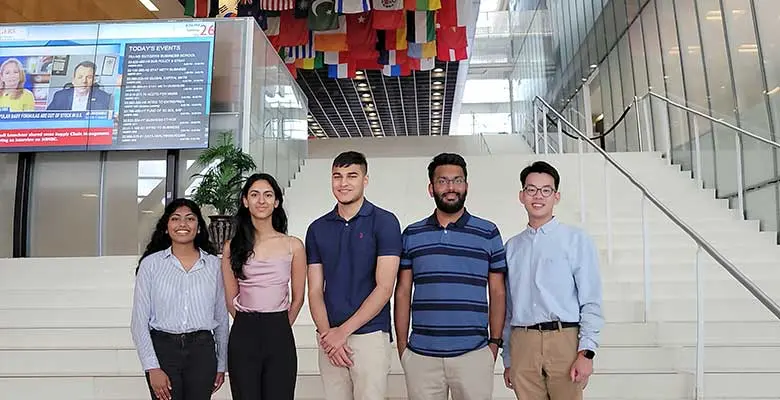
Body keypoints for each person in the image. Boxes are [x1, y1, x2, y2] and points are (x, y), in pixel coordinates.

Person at [394, 152, 507, 400]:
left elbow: (498, 291)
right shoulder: (412, 234)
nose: (450, 187)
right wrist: (403, 348)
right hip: (421, 356)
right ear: (431, 187)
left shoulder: (488, 232)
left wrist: (494, 345)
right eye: (443, 181)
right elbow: (402, 291)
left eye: (457, 180)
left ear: (466, 185)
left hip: (474, 355)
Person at [501, 160, 604, 400]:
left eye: (546, 190)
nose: (538, 196)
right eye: (531, 189)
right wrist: (508, 358)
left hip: (564, 340)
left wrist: (586, 352)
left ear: (556, 196)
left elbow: (590, 299)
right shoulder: (511, 247)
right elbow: (508, 307)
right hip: (523, 342)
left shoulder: (576, 240)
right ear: (521, 195)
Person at [305, 151, 402, 400]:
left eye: (351, 176)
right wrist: (328, 335)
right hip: (329, 336)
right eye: (337, 176)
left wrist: (342, 332)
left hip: (370, 336)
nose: (343, 183)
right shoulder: (317, 228)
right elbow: (315, 290)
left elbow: (384, 287)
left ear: (365, 180)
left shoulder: (385, 222)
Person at [130, 198, 229, 400]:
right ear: (166, 227)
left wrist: (221, 365)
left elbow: (222, 318)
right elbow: (139, 322)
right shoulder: (151, 265)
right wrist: (152, 367)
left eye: (190, 219)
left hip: (202, 351)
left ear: (199, 227)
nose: (182, 224)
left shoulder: (214, 266)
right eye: (175, 219)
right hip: (164, 350)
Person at [221, 173, 306, 399]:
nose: (261, 201)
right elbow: (230, 299)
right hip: (244, 331)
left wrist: (277, 324)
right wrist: (250, 323)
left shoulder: (293, 245)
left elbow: (298, 298)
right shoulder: (232, 247)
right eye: (255, 195)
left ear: (276, 202)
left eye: (268, 195)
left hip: (279, 329)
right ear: (245, 201)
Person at [46, 60, 112, 111]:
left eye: (89, 77)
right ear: (73, 80)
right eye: (80, 77)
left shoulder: (104, 97)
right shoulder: (59, 96)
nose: (84, 81)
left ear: (93, 81)